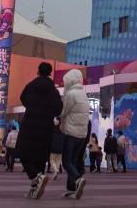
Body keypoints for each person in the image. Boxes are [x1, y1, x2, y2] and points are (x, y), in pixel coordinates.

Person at [17, 61, 63, 200]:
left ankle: (36, 178)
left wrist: (32, 107)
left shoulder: (31, 86)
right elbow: (58, 109)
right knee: (41, 158)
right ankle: (37, 183)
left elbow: (23, 99)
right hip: (46, 127)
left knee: (23, 154)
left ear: (38, 71)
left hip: (29, 125)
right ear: (50, 73)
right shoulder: (54, 91)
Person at [58, 68, 91, 199]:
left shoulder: (71, 94)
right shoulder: (83, 94)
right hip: (82, 135)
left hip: (70, 133)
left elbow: (62, 112)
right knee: (73, 161)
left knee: (66, 161)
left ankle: (78, 179)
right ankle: (71, 189)